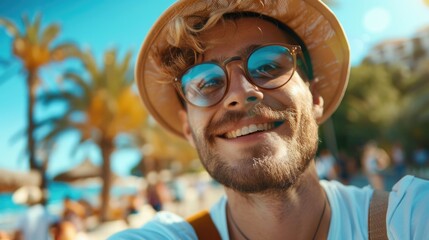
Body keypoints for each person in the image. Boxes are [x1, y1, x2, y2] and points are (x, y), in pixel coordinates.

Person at [109, 0, 429, 239]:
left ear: (315, 98)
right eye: (206, 82)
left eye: (268, 66)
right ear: (187, 130)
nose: (241, 92)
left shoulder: (408, 219)